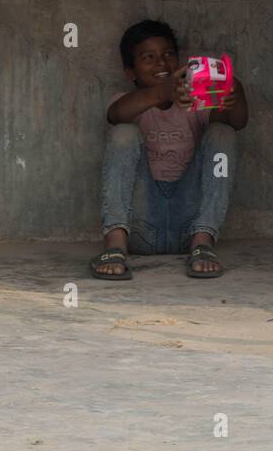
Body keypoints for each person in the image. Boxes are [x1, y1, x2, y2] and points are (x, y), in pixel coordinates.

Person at [90, 20, 247, 281]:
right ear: (131, 72)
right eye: (148, 58)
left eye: (167, 55)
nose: (161, 63)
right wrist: (163, 92)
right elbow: (116, 114)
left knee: (223, 132)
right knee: (123, 132)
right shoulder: (125, 101)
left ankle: (203, 241)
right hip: (138, 227)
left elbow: (238, 122)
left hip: (191, 226)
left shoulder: (196, 103)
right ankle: (114, 245)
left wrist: (234, 92)